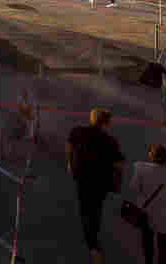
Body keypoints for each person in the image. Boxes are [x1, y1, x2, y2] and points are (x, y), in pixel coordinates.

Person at [67, 108, 125, 264]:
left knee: (85, 210)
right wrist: (117, 184)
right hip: (101, 183)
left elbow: (70, 146)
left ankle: (93, 245)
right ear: (106, 123)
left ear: (92, 119)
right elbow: (119, 165)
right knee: (96, 209)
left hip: (83, 178)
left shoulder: (78, 132)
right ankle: (94, 242)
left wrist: (70, 164)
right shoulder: (111, 141)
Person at [127, 144, 166, 264]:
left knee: (148, 250)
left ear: (152, 156)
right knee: (164, 253)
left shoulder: (140, 168)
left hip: (147, 215)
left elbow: (133, 188)